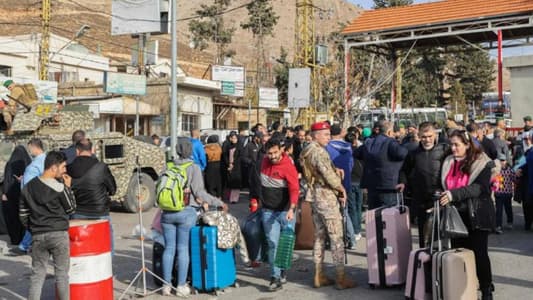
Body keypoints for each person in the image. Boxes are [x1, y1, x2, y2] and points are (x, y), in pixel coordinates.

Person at [161, 140, 227, 297]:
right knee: (183, 249)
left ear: (177, 150)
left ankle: (165, 285)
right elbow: (200, 193)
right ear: (191, 151)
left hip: (167, 213)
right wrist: (218, 202)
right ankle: (181, 285)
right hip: (186, 212)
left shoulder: (168, 166)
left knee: (169, 248)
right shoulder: (193, 167)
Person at [438, 130, 496, 300]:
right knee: (460, 254)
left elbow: (480, 188)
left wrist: (453, 194)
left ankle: (486, 289)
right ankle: (464, 288)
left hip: (476, 214)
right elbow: (441, 183)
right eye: (451, 144)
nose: (453, 148)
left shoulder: (482, 162)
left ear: (467, 144)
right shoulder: (448, 161)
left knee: (479, 254)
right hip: (455, 216)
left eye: (457, 144)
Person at [299, 122, 356, 290]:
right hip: (326, 197)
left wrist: (334, 169)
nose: (328, 138)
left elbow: (317, 171)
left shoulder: (307, 150)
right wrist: (341, 188)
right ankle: (340, 277)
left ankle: (319, 274)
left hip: (314, 196)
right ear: (316, 135)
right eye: (325, 134)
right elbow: (328, 176)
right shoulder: (318, 152)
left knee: (320, 236)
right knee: (337, 237)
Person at [19, 151, 76, 300]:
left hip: (38, 235)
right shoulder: (60, 187)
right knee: (62, 275)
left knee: (37, 275)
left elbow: (23, 215)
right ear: (53, 167)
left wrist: (34, 230)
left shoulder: (28, 187)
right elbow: (71, 209)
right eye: (63, 167)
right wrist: (68, 188)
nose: (65, 171)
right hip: (59, 235)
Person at [259, 139, 299, 291]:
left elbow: (294, 189)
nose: (273, 156)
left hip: (286, 211)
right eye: (269, 153)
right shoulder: (263, 162)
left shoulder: (288, 166)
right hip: (268, 211)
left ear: (281, 150)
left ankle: (283, 271)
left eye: (275, 152)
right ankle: (275, 277)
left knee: (285, 244)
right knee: (272, 243)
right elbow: (256, 183)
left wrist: (292, 209)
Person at [402, 122, 448, 248]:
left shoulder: (444, 150)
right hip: (421, 198)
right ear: (419, 136)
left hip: (441, 198)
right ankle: (424, 262)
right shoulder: (413, 153)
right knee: (424, 234)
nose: (427, 139)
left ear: (435, 135)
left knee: (441, 233)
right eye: (424, 136)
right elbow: (405, 171)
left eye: (429, 136)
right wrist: (403, 183)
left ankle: (440, 260)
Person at [67, 139, 117, 246]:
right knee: (105, 247)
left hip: (78, 212)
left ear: (77, 151)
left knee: (81, 248)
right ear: (92, 150)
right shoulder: (101, 167)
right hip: (100, 212)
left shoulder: (69, 168)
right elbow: (113, 190)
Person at [356, 120, 408, 209]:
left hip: (371, 185)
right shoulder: (390, 142)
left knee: (375, 217)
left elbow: (357, 153)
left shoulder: (368, 142)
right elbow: (403, 153)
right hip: (389, 185)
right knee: (389, 216)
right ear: (389, 132)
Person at [326, 124, 355, 249]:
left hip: (332, 183)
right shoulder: (348, 147)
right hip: (346, 181)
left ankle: (334, 240)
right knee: (345, 211)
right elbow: (351, 164)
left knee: (332, 213)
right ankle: (351, 238)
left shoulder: (327, 147)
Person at [15, 138, 46, 254]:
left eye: (30, 149)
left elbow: (32, 183)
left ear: (34, 147)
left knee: (32, 221)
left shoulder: (36, 163)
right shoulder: (45, 160)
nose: (29, 152)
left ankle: (24, 246)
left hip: (33, 197)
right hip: (40, 196)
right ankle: (25, 245)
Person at [1, 145, 31, 244]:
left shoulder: (10, 164)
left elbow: (7, 180)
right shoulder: (28, 163)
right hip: (25, 194)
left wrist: (5, 193)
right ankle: (25, 240)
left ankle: (15, 239)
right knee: (25, 216)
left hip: (11, 194)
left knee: (13, 217)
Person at [347, 129, 364, 243]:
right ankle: (358, 230)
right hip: (360, 181)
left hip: (350, 181)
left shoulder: (345, 153)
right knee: (358, 206)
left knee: (352, 207)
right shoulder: (360, 152)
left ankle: (355, 230)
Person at [494, 154, 514, 233]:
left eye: (503, 160)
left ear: (506, 161)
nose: (502, 162)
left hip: (507, 193)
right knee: (499, 210)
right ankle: (498, 226)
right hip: (498, 193)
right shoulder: (496, 170)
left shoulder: (510, 170)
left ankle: (510, 222)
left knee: (508, 208)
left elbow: (514, 179)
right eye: (500, 161)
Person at [222, 131, 242, 203]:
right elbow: (225, 155)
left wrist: (233, 164)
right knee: (229, 182)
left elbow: (240, 157)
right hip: (229, 166)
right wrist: (229, 164)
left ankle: (234, 199)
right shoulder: (228, 146)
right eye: (232, 138)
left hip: (237, 167)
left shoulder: (239, 146)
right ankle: (228, 197)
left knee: (236, 183)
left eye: (235, 138)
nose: (233, 139)